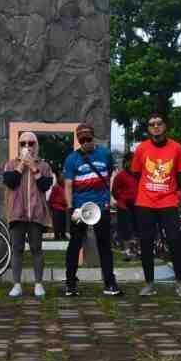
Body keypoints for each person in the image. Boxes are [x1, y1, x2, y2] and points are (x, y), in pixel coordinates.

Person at [131, 112, 181, 297]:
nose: (155, 127)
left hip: (168, 201)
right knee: (146, 243)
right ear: (148, 129)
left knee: (175, 240)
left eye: (159, 123)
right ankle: (149, 283)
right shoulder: (141, 149)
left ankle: (180, 282)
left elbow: (179, 176)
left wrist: (176, 193)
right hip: (145, 202)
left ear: (165, 126)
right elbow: (137, 175)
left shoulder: (177, 148)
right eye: (151, 124)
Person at [62, 123, 122, 297]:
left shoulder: (105, 154)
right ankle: (70, 284)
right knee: (74, 245)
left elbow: (110, 175)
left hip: (101, 207)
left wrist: (110, 197)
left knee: (104, 246)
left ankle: (110, 283)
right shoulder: (72, 159)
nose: (85, 142)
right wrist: (70, 208)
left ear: (93, 137)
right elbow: (68, 185)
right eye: (82, 140)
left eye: (88, 139)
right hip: (80, 208)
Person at [4, 131, 54, 298]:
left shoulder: (44, 166)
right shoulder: (11, 164)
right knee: (17, 248)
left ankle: (38, 284)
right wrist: (21, 165)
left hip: (36, 213)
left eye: (30, 143)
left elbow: (45, 186)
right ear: (19, 146)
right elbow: (10, 182)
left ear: (36, 145)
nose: (27, 147)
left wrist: (33, 166)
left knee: (36, 248)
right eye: (23, 143)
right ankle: (17, 284)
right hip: (17, 212)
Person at [112, 153, 139, 259]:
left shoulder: (138, 175)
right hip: (124, 206)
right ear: (127, 162)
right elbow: (114, 191)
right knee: (126, 230)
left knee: (137, 229)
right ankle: (127, 251)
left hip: (137, 205)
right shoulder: (120, 176)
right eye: (132, 161)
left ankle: (136, 250)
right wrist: (122, 199)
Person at [48, 173, 68, 240]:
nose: (63, 179)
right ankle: (57, 236)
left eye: (63, 177)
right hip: (56, 207)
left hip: (63, 208)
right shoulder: (56, 187)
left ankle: (63, 235)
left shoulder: (65, 187)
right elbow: (52, 197)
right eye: (61, 177)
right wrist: (50, 205)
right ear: (58, 178)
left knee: (63, 222)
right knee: (56, 223)